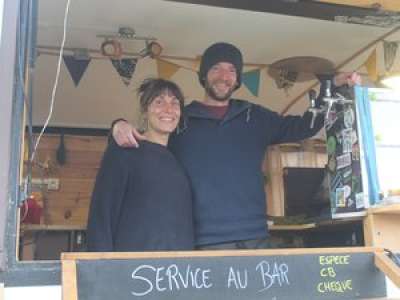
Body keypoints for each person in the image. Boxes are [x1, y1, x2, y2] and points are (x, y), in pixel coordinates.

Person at [111, 42, 361, 250]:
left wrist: (332, 88)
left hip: (256, 238)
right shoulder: (181, 119)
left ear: (238, 78)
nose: (224, 76)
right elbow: (145, 137)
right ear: (204, 75)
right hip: (204, 243)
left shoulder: (254, 116)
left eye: (231, 70)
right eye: (217, 68)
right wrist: (117, 125)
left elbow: (305, 126)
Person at [87, 78, 194, 251]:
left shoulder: (178, 159)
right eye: (159, 102)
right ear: (145, 111)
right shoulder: (125, 150)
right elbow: (102, 213)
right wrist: (101, 267)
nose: (168, 110)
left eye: (175, 103)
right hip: (132, 268)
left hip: (175, 270)